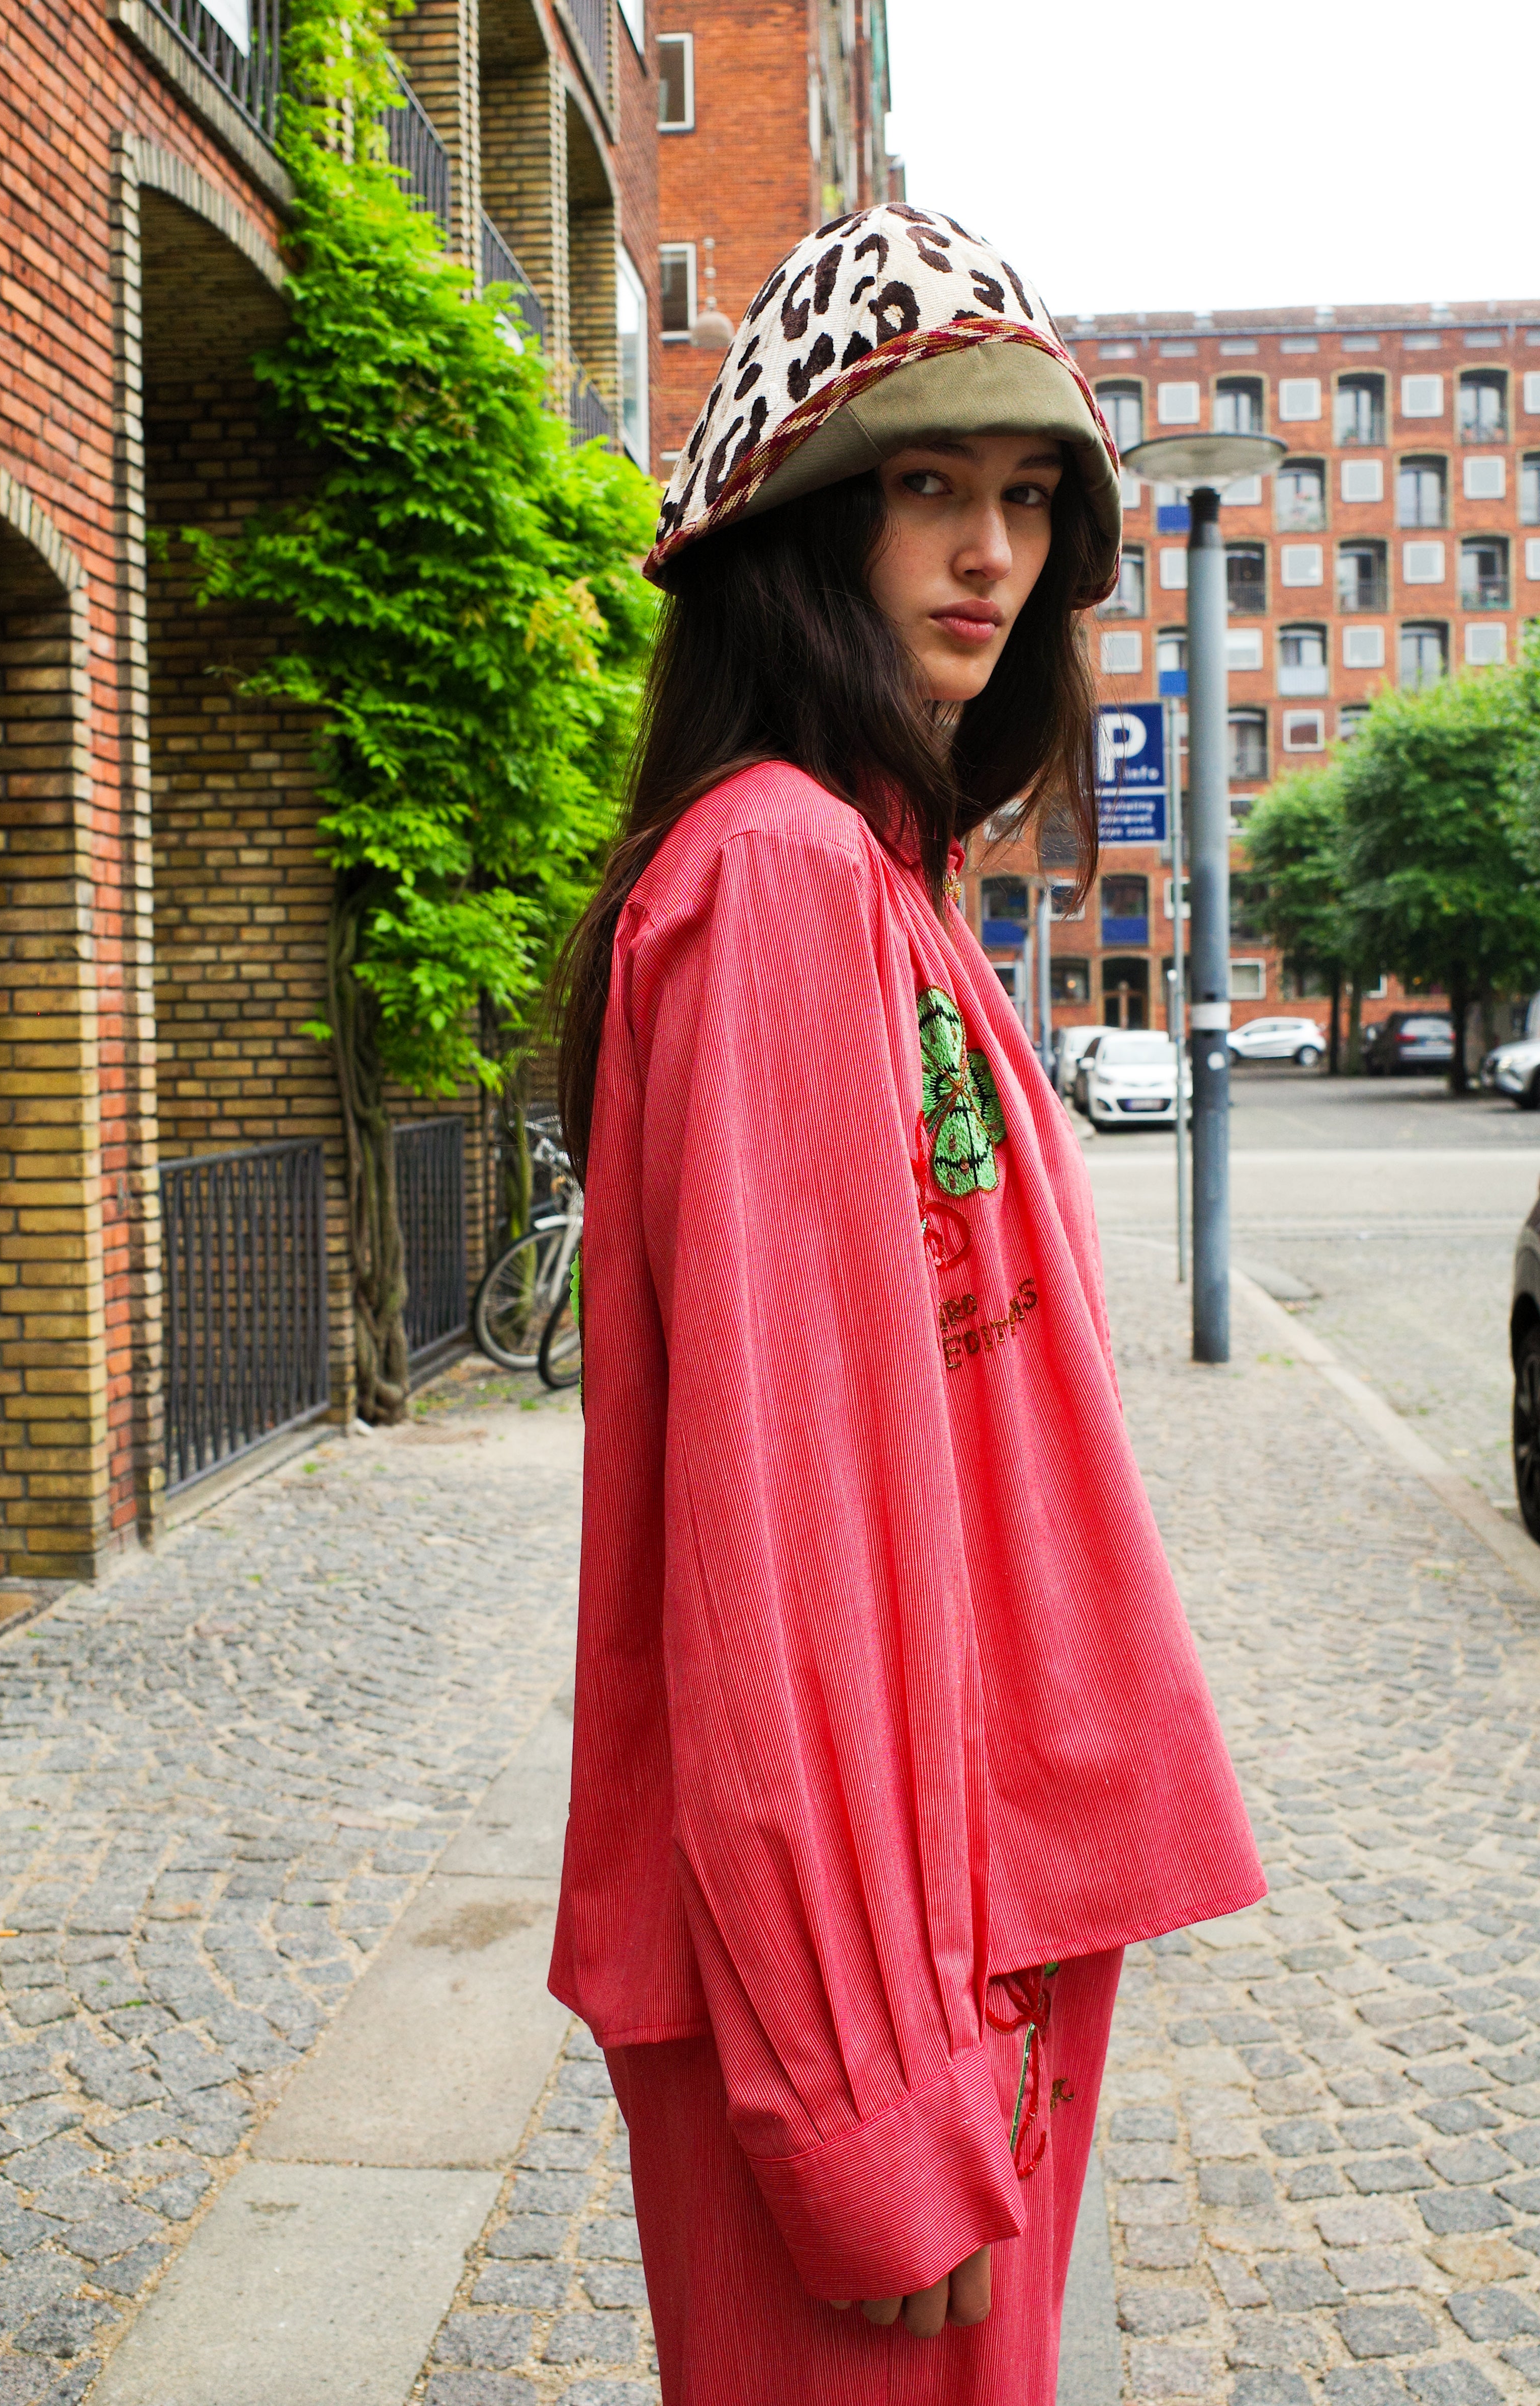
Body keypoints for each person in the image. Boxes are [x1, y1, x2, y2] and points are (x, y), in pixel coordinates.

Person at [549, 203, 1263, 2406]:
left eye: (1027, 499)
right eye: (925, 490)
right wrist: (866, 2076)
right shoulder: (775, 881)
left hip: (982, 1918)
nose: (991, 553)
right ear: (801, 531)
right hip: (905, 1961)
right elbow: (787, 1545)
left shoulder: (868, 877)